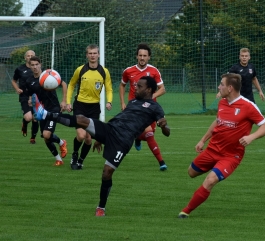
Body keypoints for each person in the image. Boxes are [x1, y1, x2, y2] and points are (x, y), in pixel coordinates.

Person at [32, 76, 170, 216]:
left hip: (122, 141)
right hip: (109, 129)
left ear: (149, 89)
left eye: (139, 86)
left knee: (106, 173)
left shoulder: (155, 107)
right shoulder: (133, 101)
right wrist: (99, 138)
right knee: (82, 120)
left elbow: (167, 132)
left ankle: (101, 208)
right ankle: (45, 114)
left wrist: (164, 126)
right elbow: (121, 117)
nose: (135, 88)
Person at [178, 73, 265, 218]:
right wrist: (203, 140)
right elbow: (217, 121)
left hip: (231, 155)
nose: (219, 87)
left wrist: (251, 137)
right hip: (212, 150)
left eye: (221, 84)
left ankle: (186, 211)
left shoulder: (248, 106)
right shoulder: (222, 102)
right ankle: (215, 167)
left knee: (210, 180)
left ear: (230, 88)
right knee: (191, 172)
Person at [119, 43, 168, 171]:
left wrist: (152, 96)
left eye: (144, 56)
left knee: (147, 133)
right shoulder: (128, 71)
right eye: (140, 55)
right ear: (136, 56)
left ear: (149, 57)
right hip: (134, 108)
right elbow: (122, 85)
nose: (142, 58)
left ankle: (138, 138)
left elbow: (162, 89)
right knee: (148, 133)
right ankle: (162, 163)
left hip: (149, 108)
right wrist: (123, 103)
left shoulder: (154, 71)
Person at [66, 44, 113, 170]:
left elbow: (109, 88)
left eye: (94, 53)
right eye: (90, 53)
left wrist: (109, 101)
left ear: (98, 54)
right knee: (81, 135)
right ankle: (75, 155)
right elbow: (71, 85)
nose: (92, 55)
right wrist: (68, 101)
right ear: (87, 55)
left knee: (88, 139)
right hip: (80, 106)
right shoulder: (80, 70)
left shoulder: (104, 72)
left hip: (94, 108)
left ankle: (81, 161)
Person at [26, 56, 68, 166]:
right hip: (41, 111)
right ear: (30, 66)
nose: (35, 67)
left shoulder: (48, 75)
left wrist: (64, 101)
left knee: (46, 134)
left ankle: (62, 143)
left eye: (37, 64)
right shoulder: (30, 81)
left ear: (40, 64)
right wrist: (31, 102)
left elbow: (63, 84)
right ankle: (59, 159)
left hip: (54, 109)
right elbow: (32, 96)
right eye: (32, 65)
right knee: (46, 138)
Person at [11, 50, 39, 144]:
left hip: (36, 96)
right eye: (28, 56)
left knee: (35, 118)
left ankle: (33, 138)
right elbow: (14, 81)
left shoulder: (37, 69)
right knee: (28, 118)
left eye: (32, 55)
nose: (30, 57)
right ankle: (24, 123)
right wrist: (17, 89)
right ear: (25, 57)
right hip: (24, 96)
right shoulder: (20, 69)